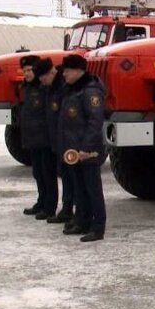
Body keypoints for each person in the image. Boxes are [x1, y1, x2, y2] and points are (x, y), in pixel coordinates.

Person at [58, 54, 106, 243]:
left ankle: (98, 227)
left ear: (79, 71)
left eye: (67, 71)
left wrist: (85, 147)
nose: (64, 75)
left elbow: (95, 121)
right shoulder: (73, 90)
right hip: (73, 149)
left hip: (87, 150)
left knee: (93, 189)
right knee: (80, 188)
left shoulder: (90, 91)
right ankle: (83, 221)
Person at [33, 58, 74, 226]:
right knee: (64, 175)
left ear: (51, 72)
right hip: (55, 140)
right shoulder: (50, 87)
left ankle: (69, 209)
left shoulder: (62, 87)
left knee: (70, 178)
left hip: (67, 139)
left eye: (43, 78)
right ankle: (66, 209)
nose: (42, 82)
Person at [19, 54, 58, 220]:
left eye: (29, 70)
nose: (26, 74)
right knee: (38, 173)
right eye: (24, 70)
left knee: (47, 173)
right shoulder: (28, 88)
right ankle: (41, 202)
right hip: (33, 139)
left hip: (45, 139)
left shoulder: (44, 89)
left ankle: (50, 207)